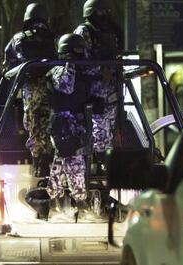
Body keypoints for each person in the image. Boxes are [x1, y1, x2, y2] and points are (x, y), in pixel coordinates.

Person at [2, 3, 56, 177]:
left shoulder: (19, 38)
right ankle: (52, 160)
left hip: (32, 89)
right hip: (54, 88)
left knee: (34, 125)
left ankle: (40, 163)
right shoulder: (54, 38)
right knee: (53, 124)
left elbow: (7, 67)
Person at [45, 33, 91, 213]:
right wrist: (71, 65)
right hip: (63, 123)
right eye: (77, 51)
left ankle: (54, 199)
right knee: (73, 159)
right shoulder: (58, 70)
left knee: (61, 160)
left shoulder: (82, 71)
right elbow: (66, 86)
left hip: (76, 122)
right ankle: (79, 201)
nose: (81, 54)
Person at [73, 0, 122, 170]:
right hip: (93, 91)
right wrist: (101, 70)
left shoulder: (108, 32)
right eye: (99, 12)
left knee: (108, 131)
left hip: (110, 91)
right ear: (91, 12)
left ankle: (105, 162)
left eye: (104, 11)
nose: (103, 15)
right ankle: (98, 161)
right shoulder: (83, 32)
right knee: (98, 129)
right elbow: (79, 62)